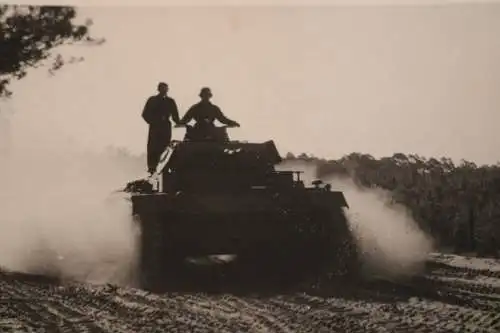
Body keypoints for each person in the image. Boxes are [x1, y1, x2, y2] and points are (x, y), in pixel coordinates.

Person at [142, 82, 180, 174]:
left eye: (165, 89)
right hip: (155, 127)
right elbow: (145, 114)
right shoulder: (152, 100)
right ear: (158, 89)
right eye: (162, 88)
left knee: (165, 147)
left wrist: (181, 123)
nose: (164, 90)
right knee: (153, 147)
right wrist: (153, 122)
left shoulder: (170, 101)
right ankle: (152, 168)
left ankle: (164, 167)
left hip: (165, 127)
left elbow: (175, 117)